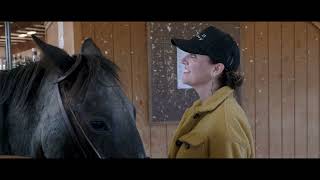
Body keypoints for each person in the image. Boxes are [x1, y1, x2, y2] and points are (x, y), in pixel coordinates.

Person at [168, 26, 255, 158]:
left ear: (216, 69)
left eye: (193, 56)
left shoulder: (226, 125)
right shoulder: (197, 110)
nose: (183, 60)